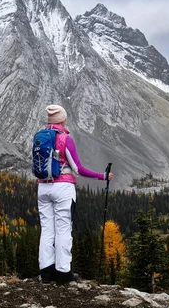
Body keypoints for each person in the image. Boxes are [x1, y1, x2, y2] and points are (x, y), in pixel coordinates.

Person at [37, 104, 113, 283]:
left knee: (47, 229)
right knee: (63, 229)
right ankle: (63, 272)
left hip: (43, 187)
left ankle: (46, 273)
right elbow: (78, 169)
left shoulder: (40, 138)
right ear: (62, 120)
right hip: (63, 187)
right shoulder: (65, 139)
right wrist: (101, 176)